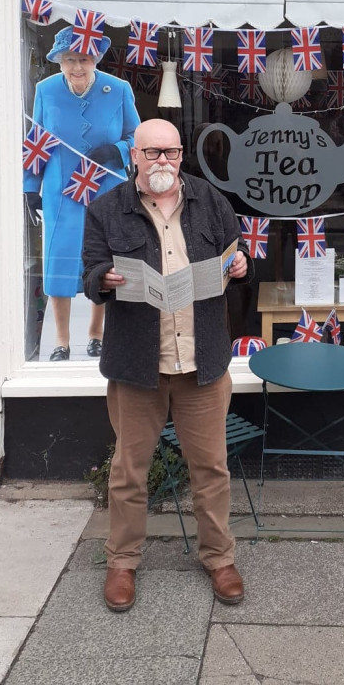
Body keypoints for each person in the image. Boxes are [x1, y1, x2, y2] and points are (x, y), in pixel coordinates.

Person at [82, 118, 253, 612]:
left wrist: (241, 267)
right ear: (133, 155)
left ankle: (219, 558)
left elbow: (234, 257)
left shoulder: (210, 200)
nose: (163, 161)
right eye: (152, 152)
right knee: (129, 471)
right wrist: (105, 278)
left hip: (202, 362)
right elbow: (88, 272)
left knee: (211, 469)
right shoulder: (106, 209)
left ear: (182, 155)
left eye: (172, 152)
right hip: (138, 366)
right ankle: (122, 562)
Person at [24, 25, 140, 360]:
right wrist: (30, 187)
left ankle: (96, 334)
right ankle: (61, 341)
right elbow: (37, 141)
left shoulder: (117, 89)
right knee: (59, 262)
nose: (78, 66)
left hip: (106, 188)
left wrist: (115, 151)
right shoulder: (46, 90)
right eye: (71, 59)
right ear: (59, 61)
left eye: (85, 59)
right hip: (62, 191)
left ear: (96, 59)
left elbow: (137, 138)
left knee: (103, 260)